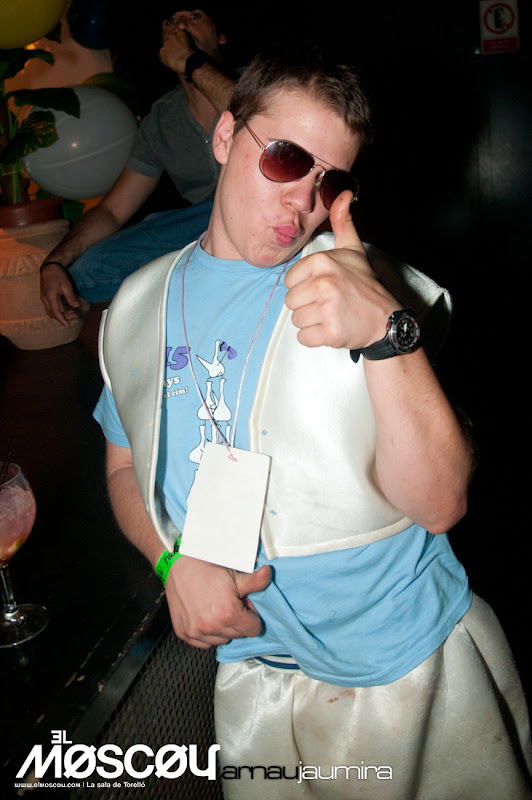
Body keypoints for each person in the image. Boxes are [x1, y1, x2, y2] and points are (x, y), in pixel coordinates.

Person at [94, 44, 532, 799]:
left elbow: (440, 502)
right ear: (225, 136)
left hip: (402, 671)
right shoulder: (139, 304)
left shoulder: (366, 287)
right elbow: (125, 465)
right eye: (286, 159)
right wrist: (173, 562)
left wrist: (387, 332)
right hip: (256, 677)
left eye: (329, 181)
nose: (302, 202)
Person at [40, 3, 238, 327]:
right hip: (202, 226)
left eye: (195, 16)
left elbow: (263, 122)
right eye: (170, 20)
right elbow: (112, 211)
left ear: (221, 36)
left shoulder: (258, 83)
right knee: (86, 272)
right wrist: (55, 262)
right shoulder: (160, 119)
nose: (181, 27)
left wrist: (192, 63)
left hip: (263, 211)